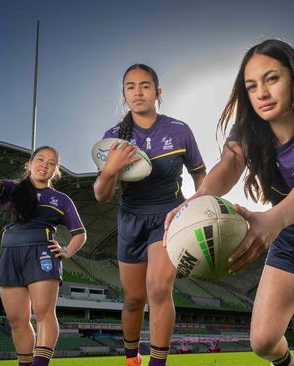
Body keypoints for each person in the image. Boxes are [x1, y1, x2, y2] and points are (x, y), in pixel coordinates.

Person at [165, 39, 294, 366]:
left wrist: (272, 220)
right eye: (251, 86)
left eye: (272, 79)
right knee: (263, 342)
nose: (261, 92)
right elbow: (229, 164)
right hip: (290, 242)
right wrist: (196, 200)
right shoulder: (249, 131)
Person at [93, 64, 206, 366]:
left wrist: (199, 204)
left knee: (158, 288)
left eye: (145, 85)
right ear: (124, 94)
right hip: (131, 219)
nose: (138, 92)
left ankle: (158, 363)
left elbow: (200, 173)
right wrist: (111, 169)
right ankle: (132, 359)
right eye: (130, 86)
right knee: (133, 299)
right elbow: (101, 195)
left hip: (169, 217)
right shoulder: (113, 137)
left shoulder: (179, 130)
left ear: (158, 92)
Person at [0, 146, 86, 366]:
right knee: (17, 320)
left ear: (56, 170)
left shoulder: (61, 199)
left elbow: (80, 234)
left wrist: (67, 251)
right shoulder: (12, 189)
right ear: (30, 163)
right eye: (40, 159)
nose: (45, 164)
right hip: (9, 255)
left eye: (51, 162)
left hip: (41, 254)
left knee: (44, 313)